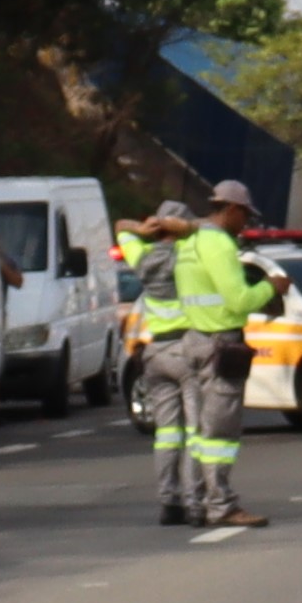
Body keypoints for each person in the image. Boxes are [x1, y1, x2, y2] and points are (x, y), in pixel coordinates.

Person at [159, 182, 285, 530]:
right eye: (244, 215)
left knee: (200, 431)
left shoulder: (190, 240)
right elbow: (239, 301)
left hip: (195, 340)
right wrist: (272, 287)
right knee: (220, 435)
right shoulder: (217, 243)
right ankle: (221, 505)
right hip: (221, 343)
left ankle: (197, 502)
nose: (245, 223)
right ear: (231, 209)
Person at [125, 202, 195, 520]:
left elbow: (119, 227)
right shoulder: (189, 257)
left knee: (166, 432)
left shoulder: (142, 256)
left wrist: (141, 228)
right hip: (187, 349)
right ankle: (196, 501)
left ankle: (169, 500)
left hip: (156, 354)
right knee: (197, 432)